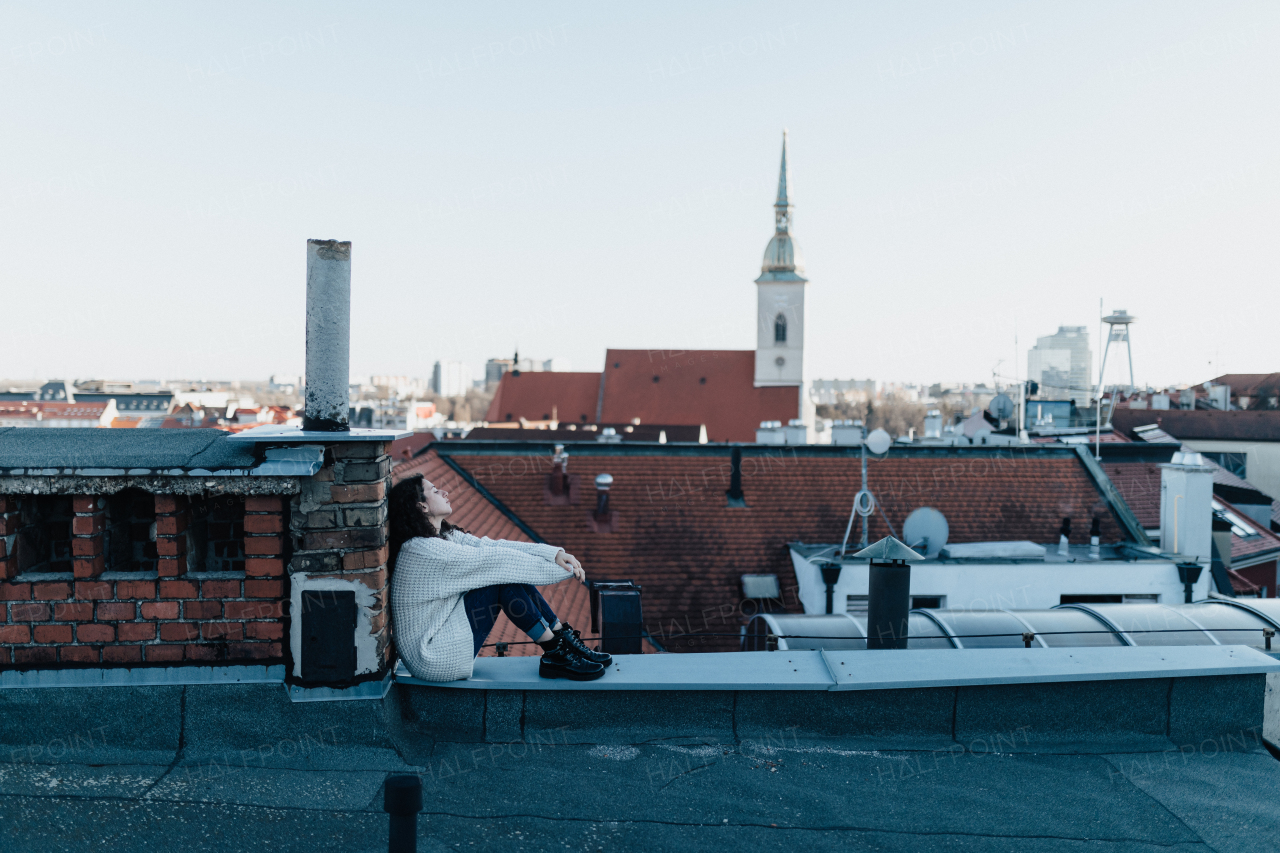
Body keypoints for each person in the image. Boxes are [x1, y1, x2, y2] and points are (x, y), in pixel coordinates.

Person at [388, 474, 610, 682]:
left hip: (442, 639)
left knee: (504, 572)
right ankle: (555, 651)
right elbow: (494, 560)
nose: (445, 492)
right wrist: (563, 570)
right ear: (422, 506)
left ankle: (562, 641)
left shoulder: (443, 537)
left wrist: (554, 554)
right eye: (435, 491)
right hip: (432, 657)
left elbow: (493, 546)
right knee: (500, 578)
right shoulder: (422, 550)